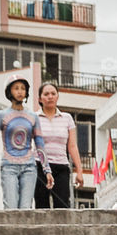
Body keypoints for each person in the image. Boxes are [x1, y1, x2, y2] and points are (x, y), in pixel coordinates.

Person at [0, 75, 52, 210]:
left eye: (23, 88)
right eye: (16, 88)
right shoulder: (2, 115)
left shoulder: (33, 116)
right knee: (11, 207)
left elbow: (40, 144)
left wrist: (47, 170)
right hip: (9, 166)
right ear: (9, 92)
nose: (20, 92)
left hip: (29, 167)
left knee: (26, 208)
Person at [34, 81, 84, 209]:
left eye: (53, 93)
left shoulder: (67, 118)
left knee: (62, 206)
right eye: (46, 94)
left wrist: (79, 171)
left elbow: (72, 146)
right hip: (39, 167)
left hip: (61, 167)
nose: (50, 96)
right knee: (41, 205)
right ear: (40, 98)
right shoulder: (34, 118)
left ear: (57, 96)